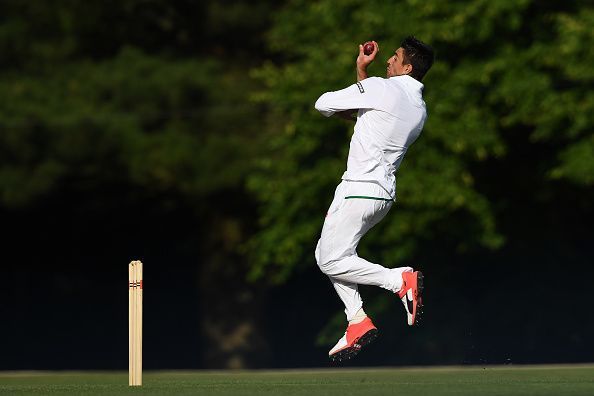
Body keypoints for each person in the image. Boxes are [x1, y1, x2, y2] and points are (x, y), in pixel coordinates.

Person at [314, 36, 435, 362]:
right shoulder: (418, 108)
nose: (388, 61)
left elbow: (324, 104)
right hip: (380, 195)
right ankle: (357, 320)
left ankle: (398, 280)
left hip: (358, 188)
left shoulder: (384, 88)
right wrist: (361, 70)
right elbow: (371, 114)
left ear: (406, 67)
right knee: (329, 253)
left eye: (394, 58)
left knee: (329, 260)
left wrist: (359, 81)